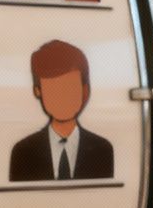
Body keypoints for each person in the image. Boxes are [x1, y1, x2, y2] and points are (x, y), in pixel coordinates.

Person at [9, 39, 114, 181]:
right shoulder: (23, 152)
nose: (63, 97)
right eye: (53, 89)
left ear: (85, 90)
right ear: (37, 91)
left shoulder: (102, 150)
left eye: (70, 87)